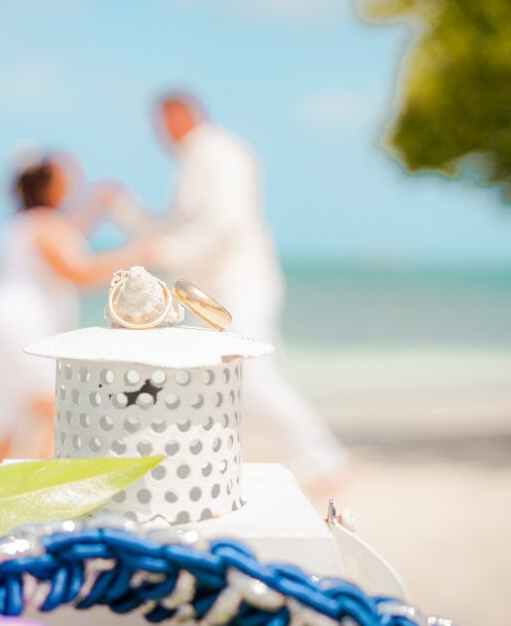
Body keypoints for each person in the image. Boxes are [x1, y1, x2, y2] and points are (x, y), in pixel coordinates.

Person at [111, 92, 349, 487]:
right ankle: (190, 463)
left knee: (254, 374)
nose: (161, 135)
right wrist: (123, 209)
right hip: (208, 294)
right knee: (197, 378)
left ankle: (324, 457)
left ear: (184, 115)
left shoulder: (221, 152)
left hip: (243, 282)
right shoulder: (192, 160)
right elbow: (170, 228)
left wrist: (164, 249)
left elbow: (225, 224)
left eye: (164, 123)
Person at [0, 153, 151, 462]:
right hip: (20, 322)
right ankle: (38, 488)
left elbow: (71, 236)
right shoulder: (46, 224)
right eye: (66, 177)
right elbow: (77, 271)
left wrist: (96, 206)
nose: (73, 183)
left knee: (8, 416)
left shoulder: (21, 224)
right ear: (50, 186)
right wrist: (136, 255)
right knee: (57, 406)